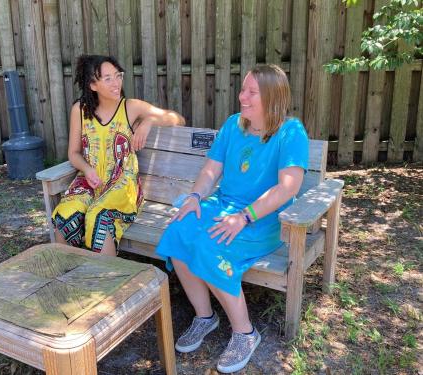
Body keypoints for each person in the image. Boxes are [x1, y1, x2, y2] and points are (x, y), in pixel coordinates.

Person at [156, 65, 309, 373]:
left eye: (252, 92)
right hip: (223, 205)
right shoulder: (233, 125)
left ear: (272, 96)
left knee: (210, 245)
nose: (242, 97)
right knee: (178, 231)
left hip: (262, 219)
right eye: (243, 89)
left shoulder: (291, 132)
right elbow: (211, 170)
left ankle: (245, 333)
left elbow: (288, 187)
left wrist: (244, 216)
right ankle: (205, 317)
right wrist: (195, 198)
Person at [52, 55, 185, 255]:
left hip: (122, 185)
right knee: (64, 215)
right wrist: (87, 169)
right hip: (90, 181)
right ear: (93, 85)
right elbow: (73, 153)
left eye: (118, 75)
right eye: (108, 78)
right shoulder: (80, 110)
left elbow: (178, 119)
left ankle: (105, 282)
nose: (116, 83)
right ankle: (68, 276)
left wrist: (149, 121)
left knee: (99, 218)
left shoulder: (131, 107)